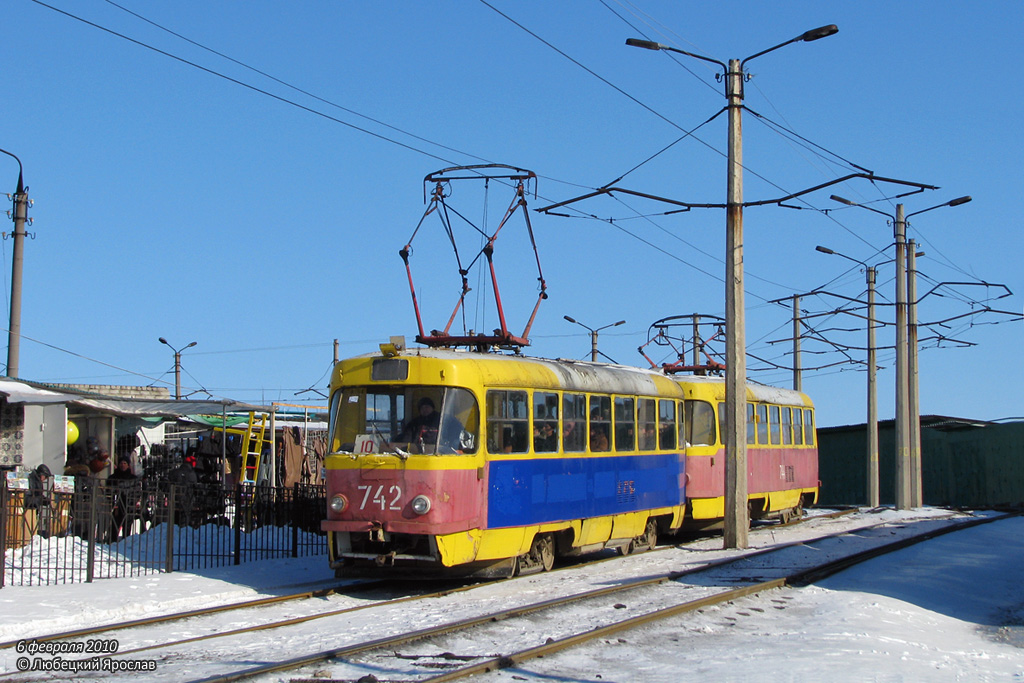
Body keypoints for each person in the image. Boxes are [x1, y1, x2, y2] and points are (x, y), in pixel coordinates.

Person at [109, 458, 137, 541]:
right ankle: (112, 541)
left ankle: (126, 541)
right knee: (115, 524)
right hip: (116, 504)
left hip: (129, 504)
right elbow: (109, 490)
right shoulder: (113, 477)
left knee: (127, 524)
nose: (123, 465)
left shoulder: (133, 479)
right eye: (121, 463)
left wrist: (133, 500)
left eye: (125, 463)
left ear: (128, 465)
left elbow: (137, 491)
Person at [26, 464, 53, 537]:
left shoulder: (37, 481)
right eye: (45, 476)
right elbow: (26, 499)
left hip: (34, 511)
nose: (45, 479)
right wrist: (39, 500)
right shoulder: (31, 480)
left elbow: (37, 495)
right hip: (28, 511)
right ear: (41, 474)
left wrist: (43, 499)